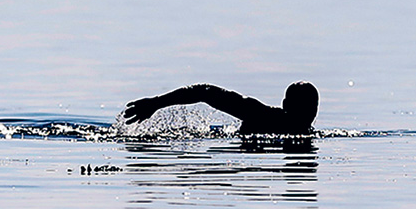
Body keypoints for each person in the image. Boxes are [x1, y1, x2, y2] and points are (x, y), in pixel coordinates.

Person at [123, 81, 319, 135]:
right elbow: (205, 92)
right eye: (302, 105)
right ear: (285, 105)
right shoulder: (262, 116)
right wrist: (155, 103)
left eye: (311, 106)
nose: (308, 111)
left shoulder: (311, 135)